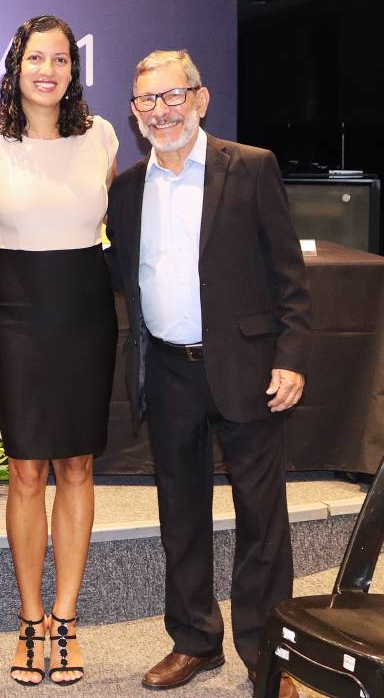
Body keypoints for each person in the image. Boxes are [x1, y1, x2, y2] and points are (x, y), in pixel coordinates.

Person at [105, 50, 310, 698]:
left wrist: (291, 357)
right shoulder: (126, 190)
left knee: (262, 520)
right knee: (180, 514)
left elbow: (289, 276)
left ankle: (267, 655)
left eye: (173, 96)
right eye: (147, 100)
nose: (161, 111)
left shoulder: (250, 167)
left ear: (200, 98)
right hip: (168, 371)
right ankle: (194, 639)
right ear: (134, 113)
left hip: (248, 369)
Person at [0, 14, 118, 686]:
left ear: (72, 70)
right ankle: (30, 619)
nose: (48, 70)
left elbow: (112, 223)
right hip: (18, 311)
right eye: (36, 58)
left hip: (85, 309)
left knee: (78, 464)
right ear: (16, 67)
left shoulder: (102, 135)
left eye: (60, 59)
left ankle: (66, 617)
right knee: (27, 468)